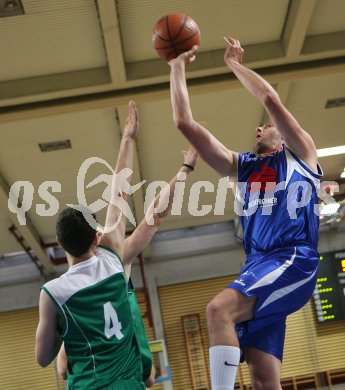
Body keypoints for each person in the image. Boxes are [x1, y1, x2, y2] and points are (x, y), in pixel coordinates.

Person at [169, 37, 322, 390]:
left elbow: (269, 99)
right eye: (259, 127)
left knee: (217, 310)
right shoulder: (244, 168)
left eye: (265, 126)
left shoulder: (301, 155)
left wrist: (234, 64)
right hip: (257, 265)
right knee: (263, 378)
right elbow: (184, 122)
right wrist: (177, 69)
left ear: (283, 137)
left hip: (292, 259)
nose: (259, 128)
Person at [55, 145, 198, 388]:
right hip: (125, 375)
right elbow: (153, 213)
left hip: (93, 378)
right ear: (96, 238)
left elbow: (61, 370)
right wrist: (185, 169)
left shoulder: (65, 291)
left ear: (61, 244)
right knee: (149, 376)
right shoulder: (114, 259)